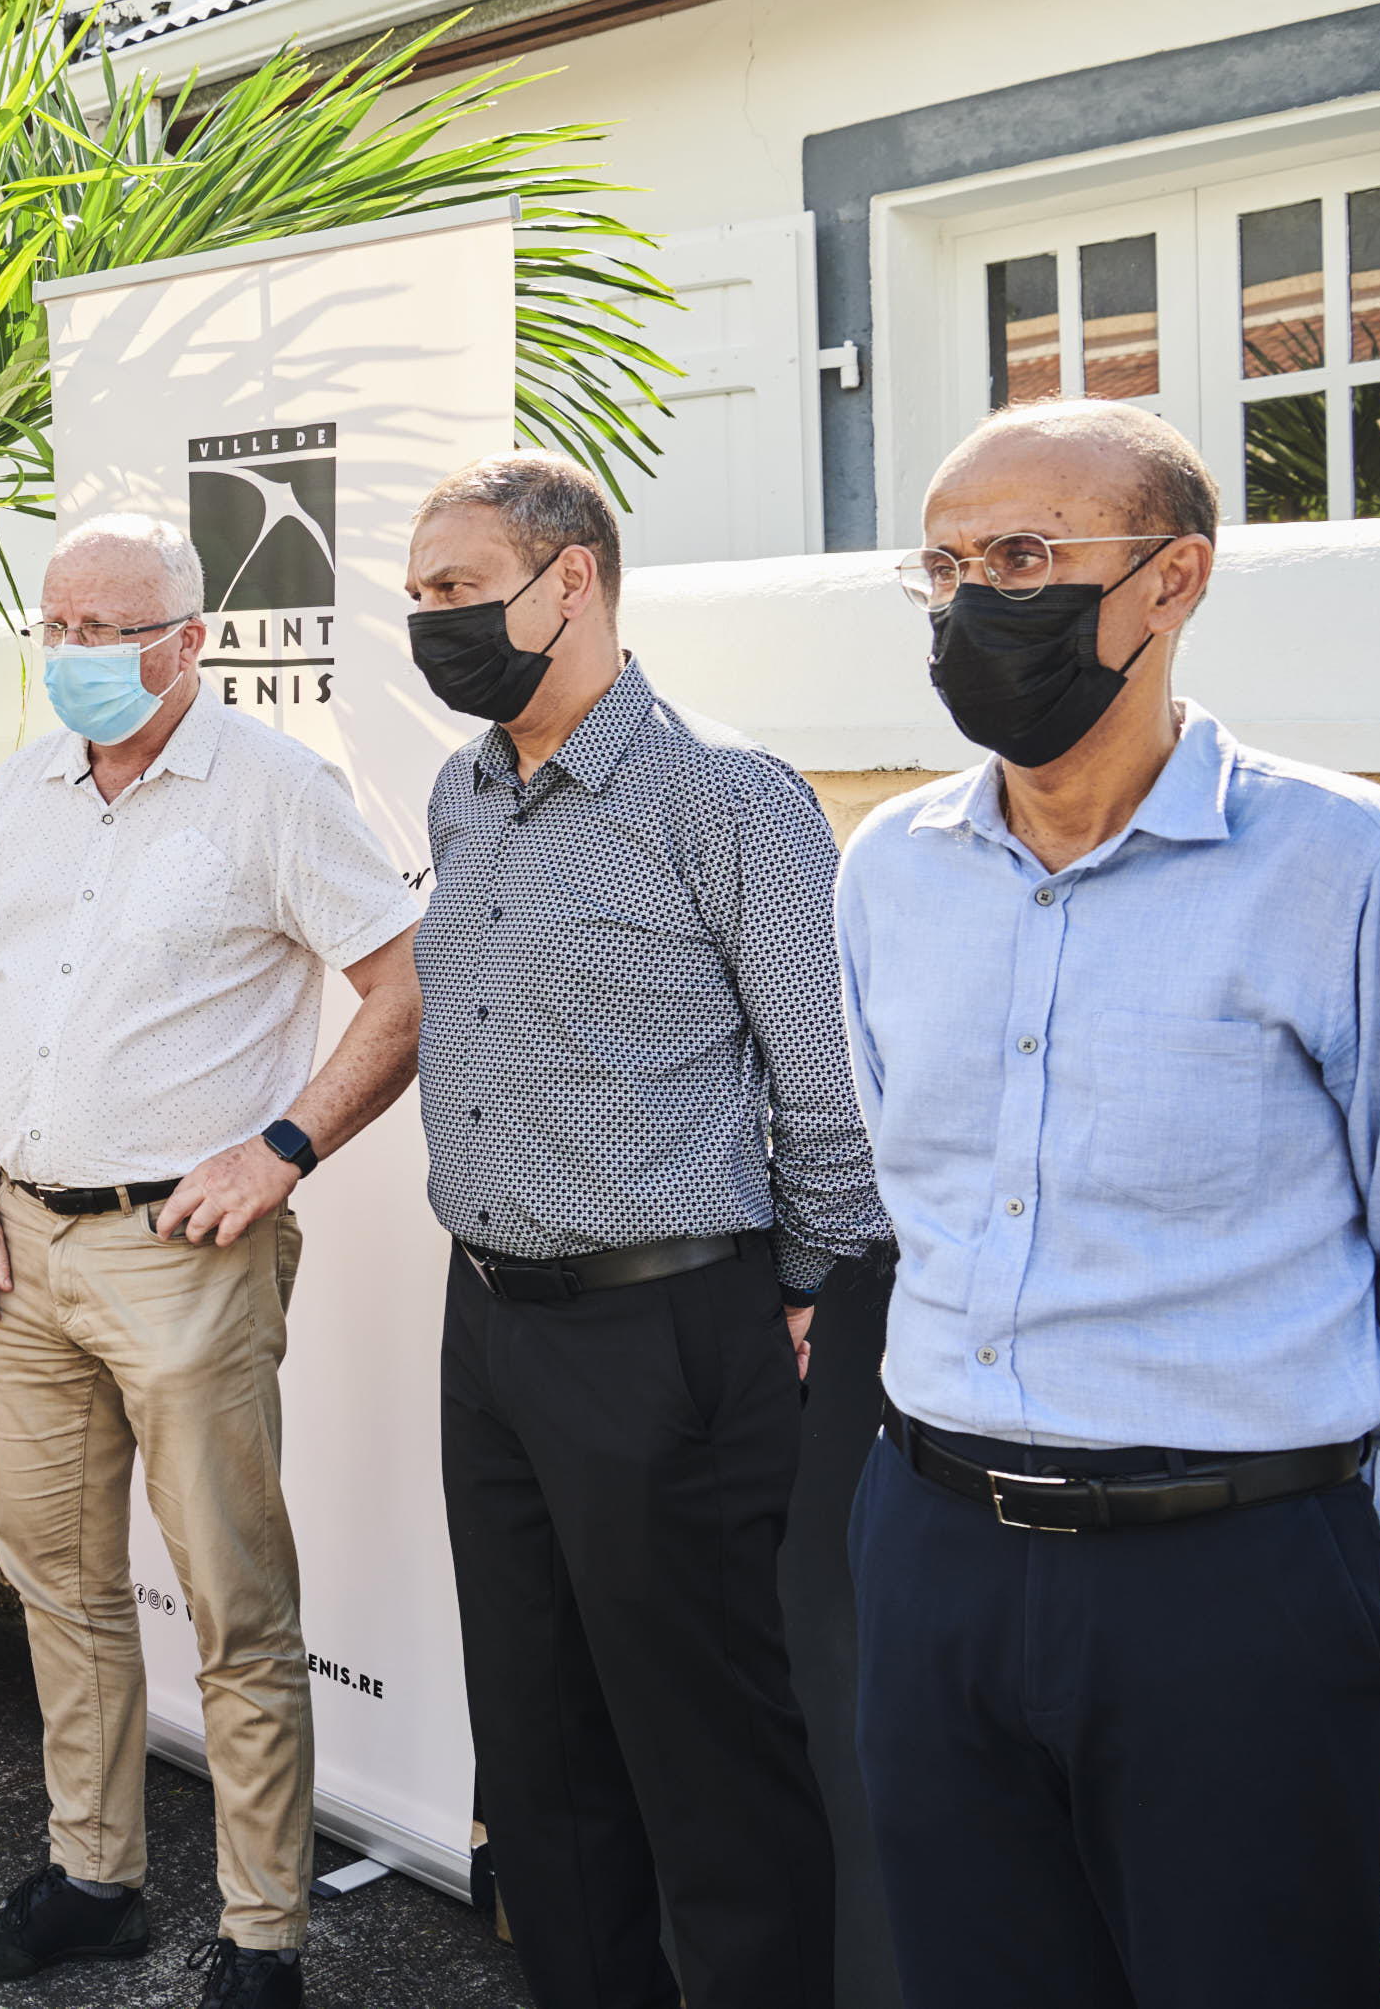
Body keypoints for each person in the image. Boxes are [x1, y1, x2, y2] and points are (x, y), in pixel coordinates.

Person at [836, 401, 1380, 2008]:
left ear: (1170, 581)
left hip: (1229, 1578)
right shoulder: (887, 866)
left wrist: (1329, 1519)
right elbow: (910, 1181)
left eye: (1024, 557)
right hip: (932, 1551)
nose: (975, 604)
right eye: (946, 566)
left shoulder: (1349, 859)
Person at [400, 452, 884, 2009]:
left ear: (572, 581)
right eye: (416, 598)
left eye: (455, 590)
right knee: (535, 1743)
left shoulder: (722, 792)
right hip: (490, 1328)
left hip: (669, 1333)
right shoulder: (458, 788)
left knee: (711, 1757)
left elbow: (825, 1084)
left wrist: (807, 1290)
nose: (431, 624)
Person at [0, 516, 423, 2009]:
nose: (76, 654)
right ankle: (94, 1879)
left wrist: (280, 1147)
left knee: (233, 1605)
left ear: (189, 638)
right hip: (22, 1249)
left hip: (180, 1252)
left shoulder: (274, 789)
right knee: (56, 1585)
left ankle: (262, 1937)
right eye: (56, 628)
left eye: (110, 628)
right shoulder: (19, 790)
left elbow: (402, 985)